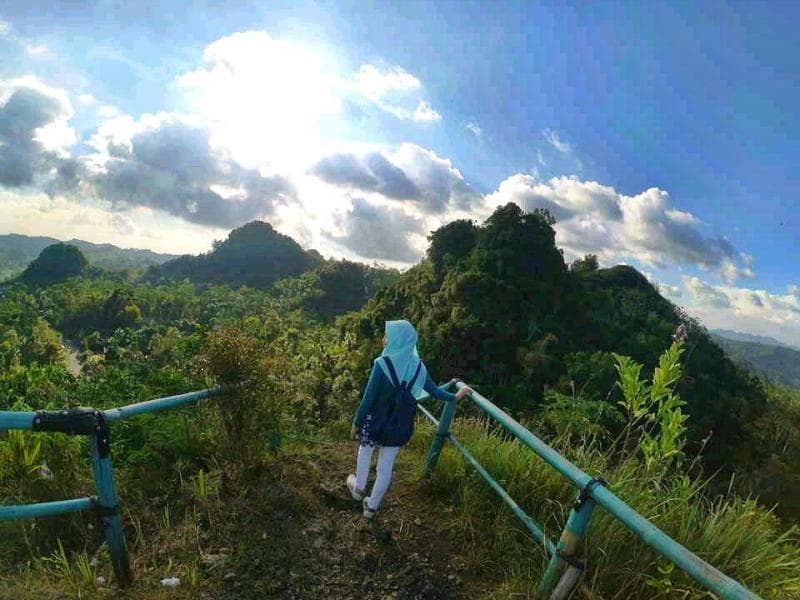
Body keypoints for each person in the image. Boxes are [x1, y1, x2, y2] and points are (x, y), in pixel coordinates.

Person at [347, 319, 472, 519]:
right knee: (385, 466)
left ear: (397, 340)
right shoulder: (419, 367)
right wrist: (456, 396)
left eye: (388, 335)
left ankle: (358, 489)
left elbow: (368, 398)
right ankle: (371, 508)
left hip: (375, 422)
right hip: (399, 425)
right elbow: (435, 391)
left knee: (366, 450)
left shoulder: (382, 364)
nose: (384, 339)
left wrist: (357, 422)